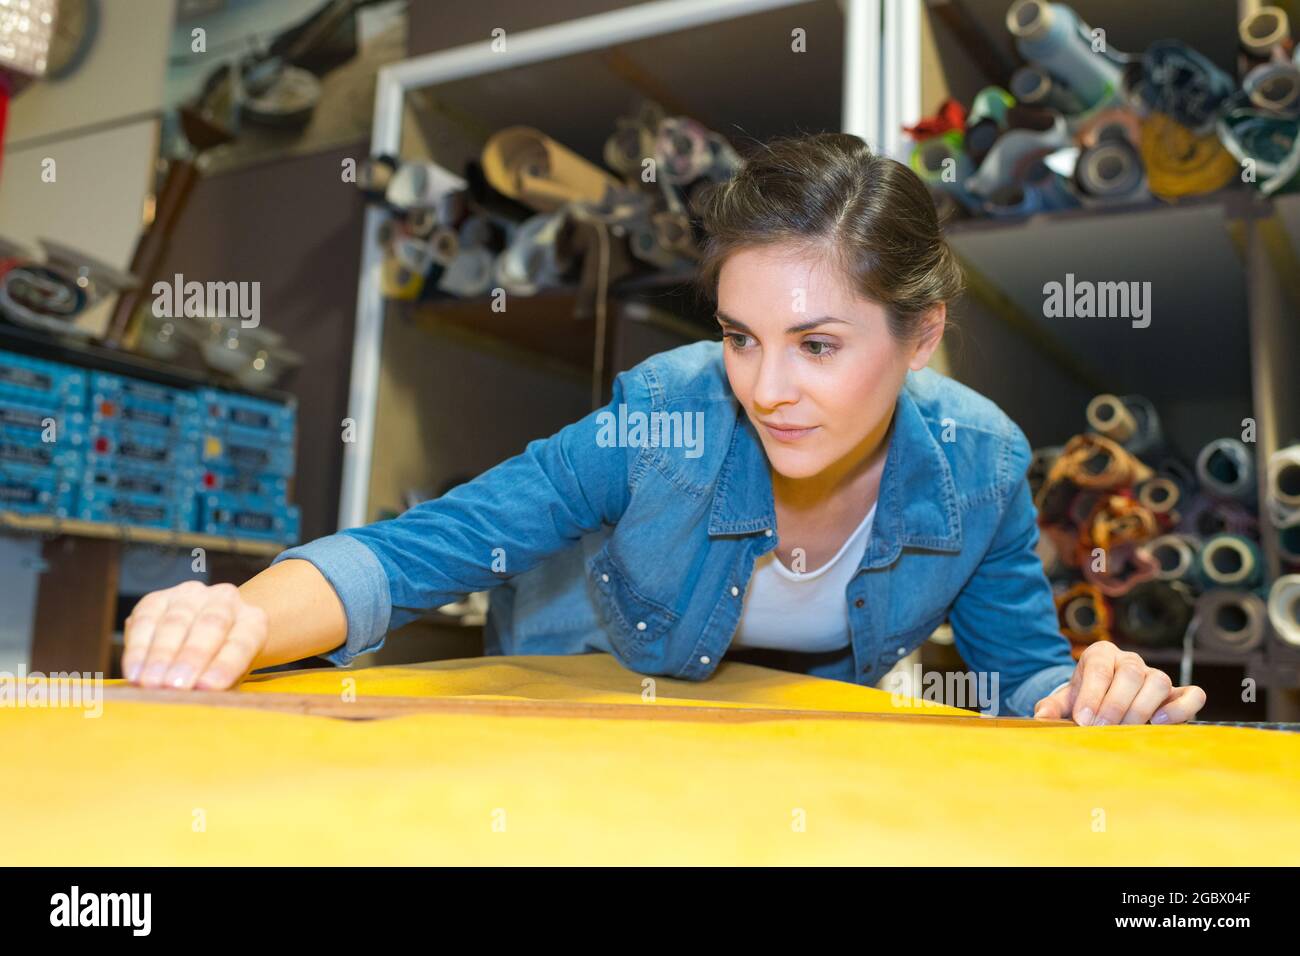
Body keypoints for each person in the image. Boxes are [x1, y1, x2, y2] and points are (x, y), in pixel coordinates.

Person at [122, 132, 1206, 725]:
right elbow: (415, 552)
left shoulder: (981, 463)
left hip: (778, 760)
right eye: (741, 334)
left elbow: (1022, 676)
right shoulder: (664, 417)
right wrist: (235, 619)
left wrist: (1097, 692)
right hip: (576, 718)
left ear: (920, 336)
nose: (765, 386)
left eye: (817, 344)